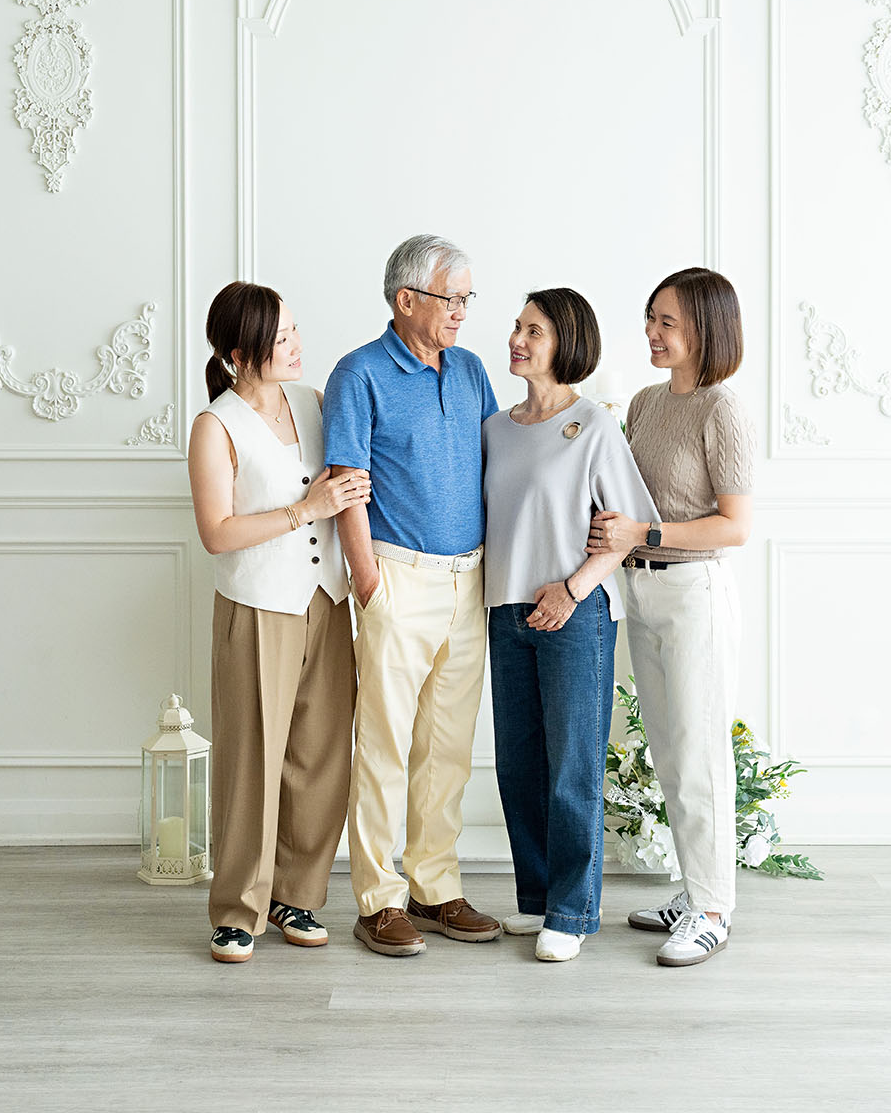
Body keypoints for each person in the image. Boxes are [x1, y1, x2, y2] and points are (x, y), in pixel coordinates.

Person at [323, 235, 505, 957]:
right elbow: (346, 485)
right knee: (384, 745)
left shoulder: (469, 370)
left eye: (466, 299)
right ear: (407, 301)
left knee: (448, 748)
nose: (462, 312)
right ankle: (377, 899)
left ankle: (434, 887)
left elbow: (502, 459)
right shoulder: (359, 373)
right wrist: (369, 582)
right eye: (450, 299)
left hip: (471, 579)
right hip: (397, 577)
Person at [187, 281, 372, 964]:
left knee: (322, 755)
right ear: (240, 354)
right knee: (251, 762)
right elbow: (217, 532)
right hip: (258, 606)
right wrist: (307, 507)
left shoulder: (315, 401)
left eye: (295, 331)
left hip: (326, 597)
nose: (298, 345)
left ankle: (299, 894)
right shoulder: (216, 425)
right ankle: (237, 909)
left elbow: (344, 486)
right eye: (282, 338)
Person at [587, 267, 756, 967]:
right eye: (651, 318)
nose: (653, 333)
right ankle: (695, 893)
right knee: (666, 750)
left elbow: (734, 527)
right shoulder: (645, 403)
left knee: (699, 757)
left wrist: (644, 537)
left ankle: (714, 909)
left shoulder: (723, 410)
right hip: (641, 592)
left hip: (693, 594)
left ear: (705, 331)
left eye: (668, 323)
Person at [482, 289, 658, 962]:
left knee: (572, 768)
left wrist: (572, 590)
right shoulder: (495, 429)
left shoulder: (594, 426)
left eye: (534, 330)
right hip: (506, 612)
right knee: (520, 766)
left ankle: (574, 911)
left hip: (576, 618)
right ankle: (538, 899)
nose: (517, 339)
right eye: (517, 327)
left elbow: (623, 533)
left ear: (567, 343)